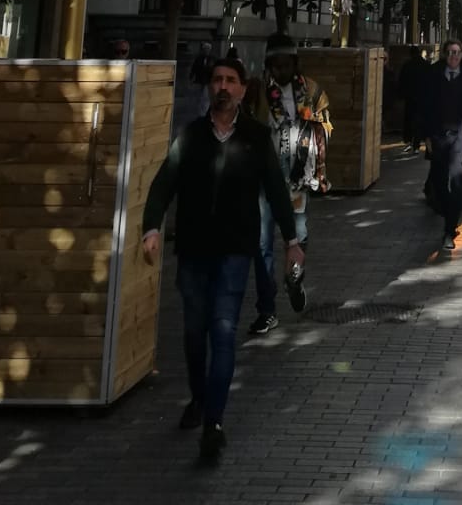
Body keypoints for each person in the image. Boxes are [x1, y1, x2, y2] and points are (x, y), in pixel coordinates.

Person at [141, 51, 302, 464]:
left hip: (234, 249)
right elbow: (163, 184)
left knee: (224, 329)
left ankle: (214, 422)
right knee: (195, 334)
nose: (224, 87)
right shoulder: (191, 136)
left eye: (231, 80)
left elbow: (277, 190)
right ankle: (199, 398)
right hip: (194, 250)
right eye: (217, 80)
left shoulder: (255, 137)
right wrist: (152, 229)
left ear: (243, 90)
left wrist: (291, 240)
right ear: (209, 87)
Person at [245, 42, 330, 334]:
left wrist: (315, 166)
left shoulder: (312, 91)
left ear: (295, 63)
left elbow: (324, 130)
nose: (281, 70)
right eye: (275, 65)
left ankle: (294, 280)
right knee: (261, 243)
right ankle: (267, 309)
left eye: (286, 64)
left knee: (298, 236)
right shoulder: (257, 92)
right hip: (264, 180)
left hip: (297, 180)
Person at [425, 39, 462, 251]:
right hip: (439, 137)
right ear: (444, 55)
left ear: (461, 55)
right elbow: (425, 106)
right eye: (449, 52)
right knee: (439, 184)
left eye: (457, 52)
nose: (453, 56)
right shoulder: (433, 76)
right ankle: (446, 210)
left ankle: (449, 230)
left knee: (458, 181)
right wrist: (427, 136)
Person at [396, 46, 425, 156]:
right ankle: (416, 144)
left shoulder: (407, 65)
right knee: (419, 121)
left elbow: (402, 81)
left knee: (409, 119)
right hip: (422, 98)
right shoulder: (425, 65)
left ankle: (408, 141)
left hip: (410, 98)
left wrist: (401, 95)